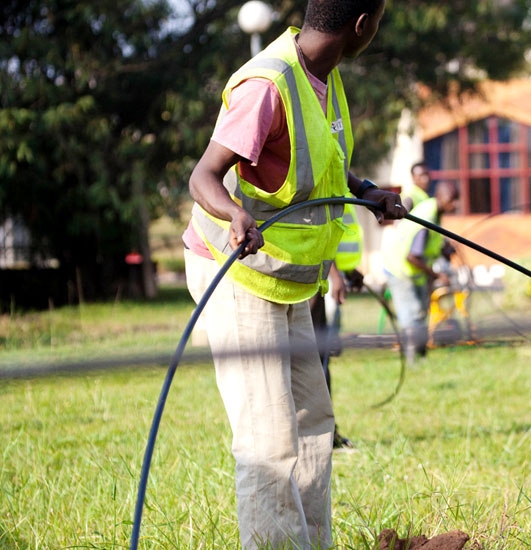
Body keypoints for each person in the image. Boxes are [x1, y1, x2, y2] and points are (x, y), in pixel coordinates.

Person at [181, 1, 404, 548]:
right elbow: (203, 175)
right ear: (361, 25)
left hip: (287, 281)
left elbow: (323, 162)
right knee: (268, 438)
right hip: (235, 275)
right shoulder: (268, 84)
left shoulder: (323, 78)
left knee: (312, 423)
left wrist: (368, 192)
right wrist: (234, 215)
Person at [382, 181, 459, 364]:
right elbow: (412, 256)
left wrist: (443, 249)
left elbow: (428, 245)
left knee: (419, 313)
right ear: (440, 196)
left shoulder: (434, 211)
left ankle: (421, 356)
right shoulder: (428, 217)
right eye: (452, 199)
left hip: (413, 271)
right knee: (411, 316)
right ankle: (412, 361)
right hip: (399, 268)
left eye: (457, 200)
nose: (455, 204)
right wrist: (437, 275)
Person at [309, 202, 364, 449]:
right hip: (315, 280)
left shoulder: (344, 183)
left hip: (326, 279)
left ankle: (327, 432)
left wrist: (347, 271)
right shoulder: (323, 174)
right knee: (314, 360)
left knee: (322, 359)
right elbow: (316, 229)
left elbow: (335, 233)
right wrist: (335, 275)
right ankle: (319, 434)